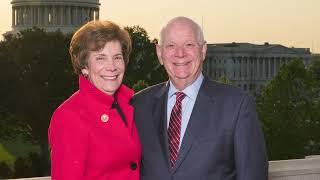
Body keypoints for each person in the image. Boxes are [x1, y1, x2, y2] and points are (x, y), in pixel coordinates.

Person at [132, 16, 268, 180]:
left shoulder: (236, 105)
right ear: (159, 53)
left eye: (189, 44)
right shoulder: (140, 104)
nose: (180, 53)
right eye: (171, 45)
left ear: (203, 50)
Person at [48, 20, 141, 180]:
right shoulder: (69, 117)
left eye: (117, 57)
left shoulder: (133, 103)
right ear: (84, 66)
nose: (112, 66)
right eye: (100, 58)